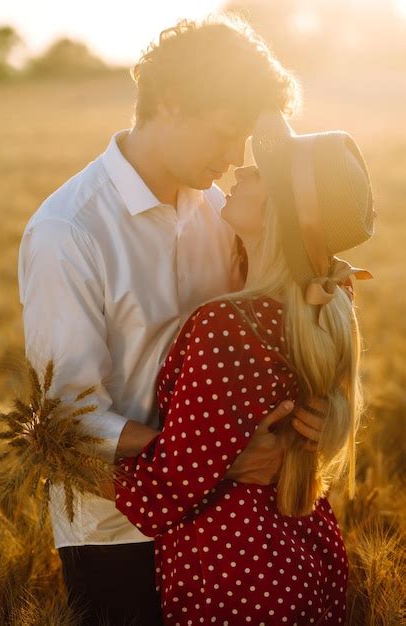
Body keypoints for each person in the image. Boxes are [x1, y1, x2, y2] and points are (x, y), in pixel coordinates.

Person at [17, 15, 325, 626]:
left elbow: (262, 340)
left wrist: (307, 406)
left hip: (226, 524)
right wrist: (209, 457)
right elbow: (67, 422)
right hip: (115, 533)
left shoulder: (224, 211)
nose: (235, 158)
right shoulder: (69, 232)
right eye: (224, 134)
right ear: (170, 103)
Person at [112, 113, 374, 625]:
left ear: (279, 211)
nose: (242, 169)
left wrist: (49, 452)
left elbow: (162, 491)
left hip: (235, 569)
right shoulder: (319, 300)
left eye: (262, 172)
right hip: (305, 549)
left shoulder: (229, 325)